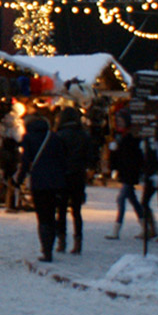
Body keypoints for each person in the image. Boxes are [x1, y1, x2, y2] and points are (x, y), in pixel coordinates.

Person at [15, 112, 67, 262]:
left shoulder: (29, 138)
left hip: (39, 182)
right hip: (56, 181)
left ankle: (46, 250)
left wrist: (19, 179)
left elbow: (25, 161)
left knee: (42, 216)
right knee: (51, 214)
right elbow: (62, 160)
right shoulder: (54, 137)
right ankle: (52, 242)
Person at [54, 106, 91, 254]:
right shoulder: (84, 135)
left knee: (61, 210)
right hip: (78, 175)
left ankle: (61, 241)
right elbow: (89, 156)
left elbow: (56, 156)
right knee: (77, 210)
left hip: (63, 175)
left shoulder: (59, 135)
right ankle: (78, 241)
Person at [105, 110, 143, 239]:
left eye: (121, 120)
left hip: (130, 171)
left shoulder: (132, 136)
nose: (119, 123)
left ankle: (116, 229)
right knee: (132, 199)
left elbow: (134, 155)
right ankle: (145, 226)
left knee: (121, 199)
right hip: (124, 170)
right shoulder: (119, 135)